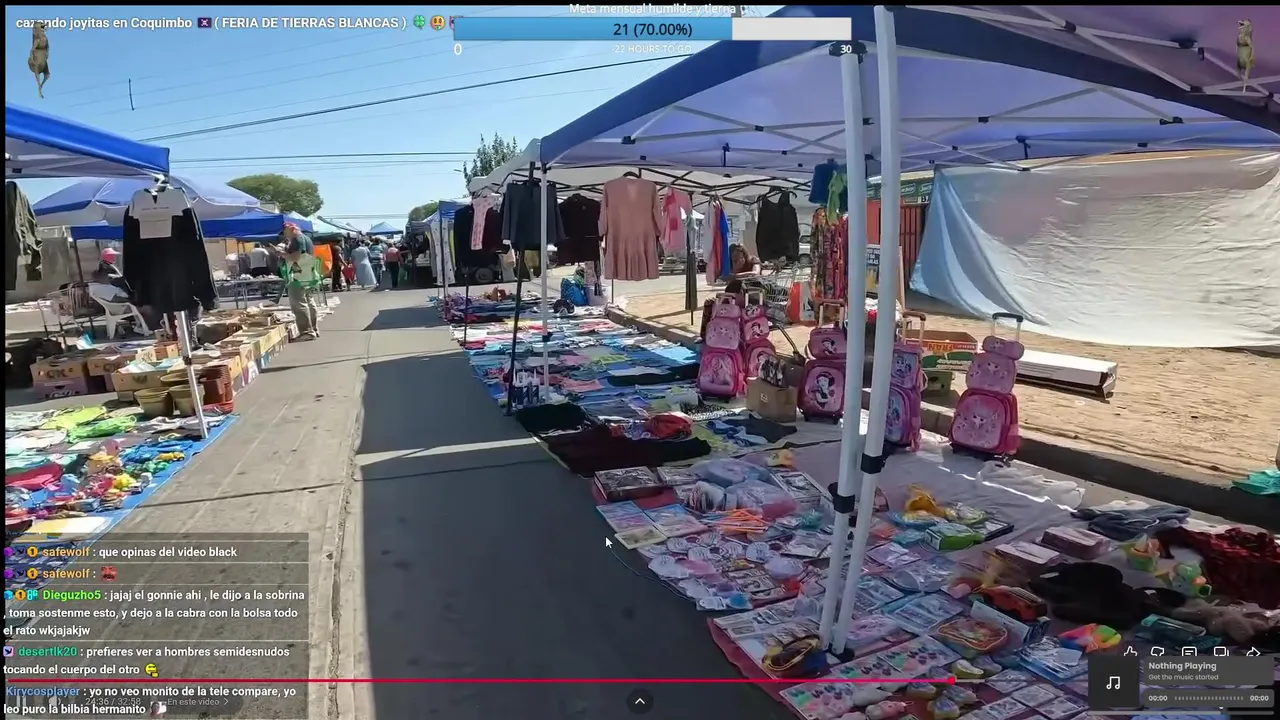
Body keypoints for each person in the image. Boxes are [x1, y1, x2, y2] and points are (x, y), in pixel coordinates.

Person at [280, 224, 322, 340]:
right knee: (309, 301)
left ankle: (306, 332)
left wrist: (281, 254)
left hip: (298, 275)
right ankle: (314, 328)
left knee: (299, 303)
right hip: (308, 274)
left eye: (286, 231)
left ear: (293, 229)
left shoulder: (297, 239)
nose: (285, 234)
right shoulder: (307, 239)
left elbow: (296, 257)